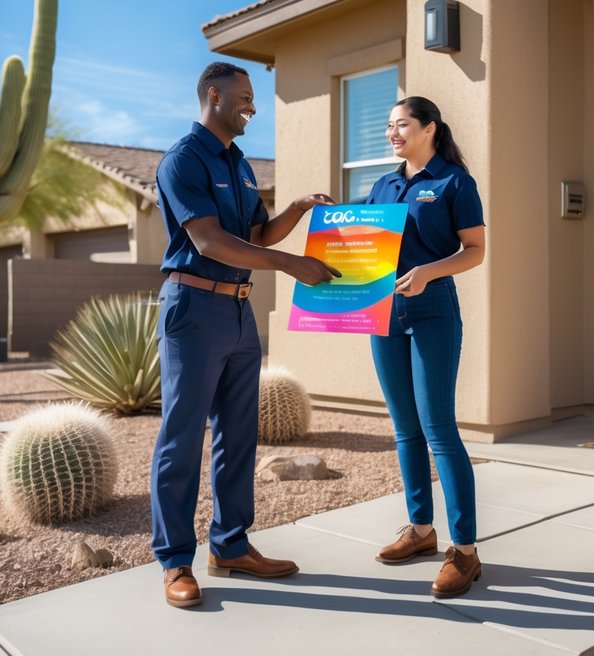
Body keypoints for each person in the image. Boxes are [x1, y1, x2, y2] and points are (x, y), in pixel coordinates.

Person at [151, 61, 340, 609]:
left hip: (238, 312)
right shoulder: (183, 160)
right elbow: (209, 241)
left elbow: (255, 233)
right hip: (193, 308)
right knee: (182, 439)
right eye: (245, 96)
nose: (252, 105)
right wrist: (289, 264)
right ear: (213, 95)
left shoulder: (239, 164)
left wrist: (299, 210)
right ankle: (175, 562)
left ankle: (231, 544)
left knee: (238, 434)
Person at [364, 96, 486, 598]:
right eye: (389, 125)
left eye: (402, 124)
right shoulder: (382, 184)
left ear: (429, 128)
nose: (393, 132)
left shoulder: (454, 182)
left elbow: (475, 250)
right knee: (405, 429)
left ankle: (465, 550)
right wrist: (334, 224)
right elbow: (365, 243)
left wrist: (428, 271)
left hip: (433, 310)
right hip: (383, 313)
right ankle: (419, 530)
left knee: (438, 428)